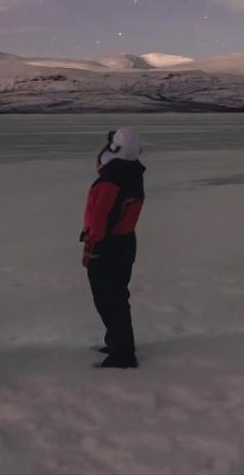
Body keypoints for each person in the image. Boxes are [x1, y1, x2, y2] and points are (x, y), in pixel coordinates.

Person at [81, 128, 145, 368]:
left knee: (108, 300)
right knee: (117, 296)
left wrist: (91, 245)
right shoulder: (132, 173)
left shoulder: (110, 180)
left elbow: (99, 222)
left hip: (107, 248)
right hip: (124, 244)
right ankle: (119, 342)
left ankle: (122, 355)